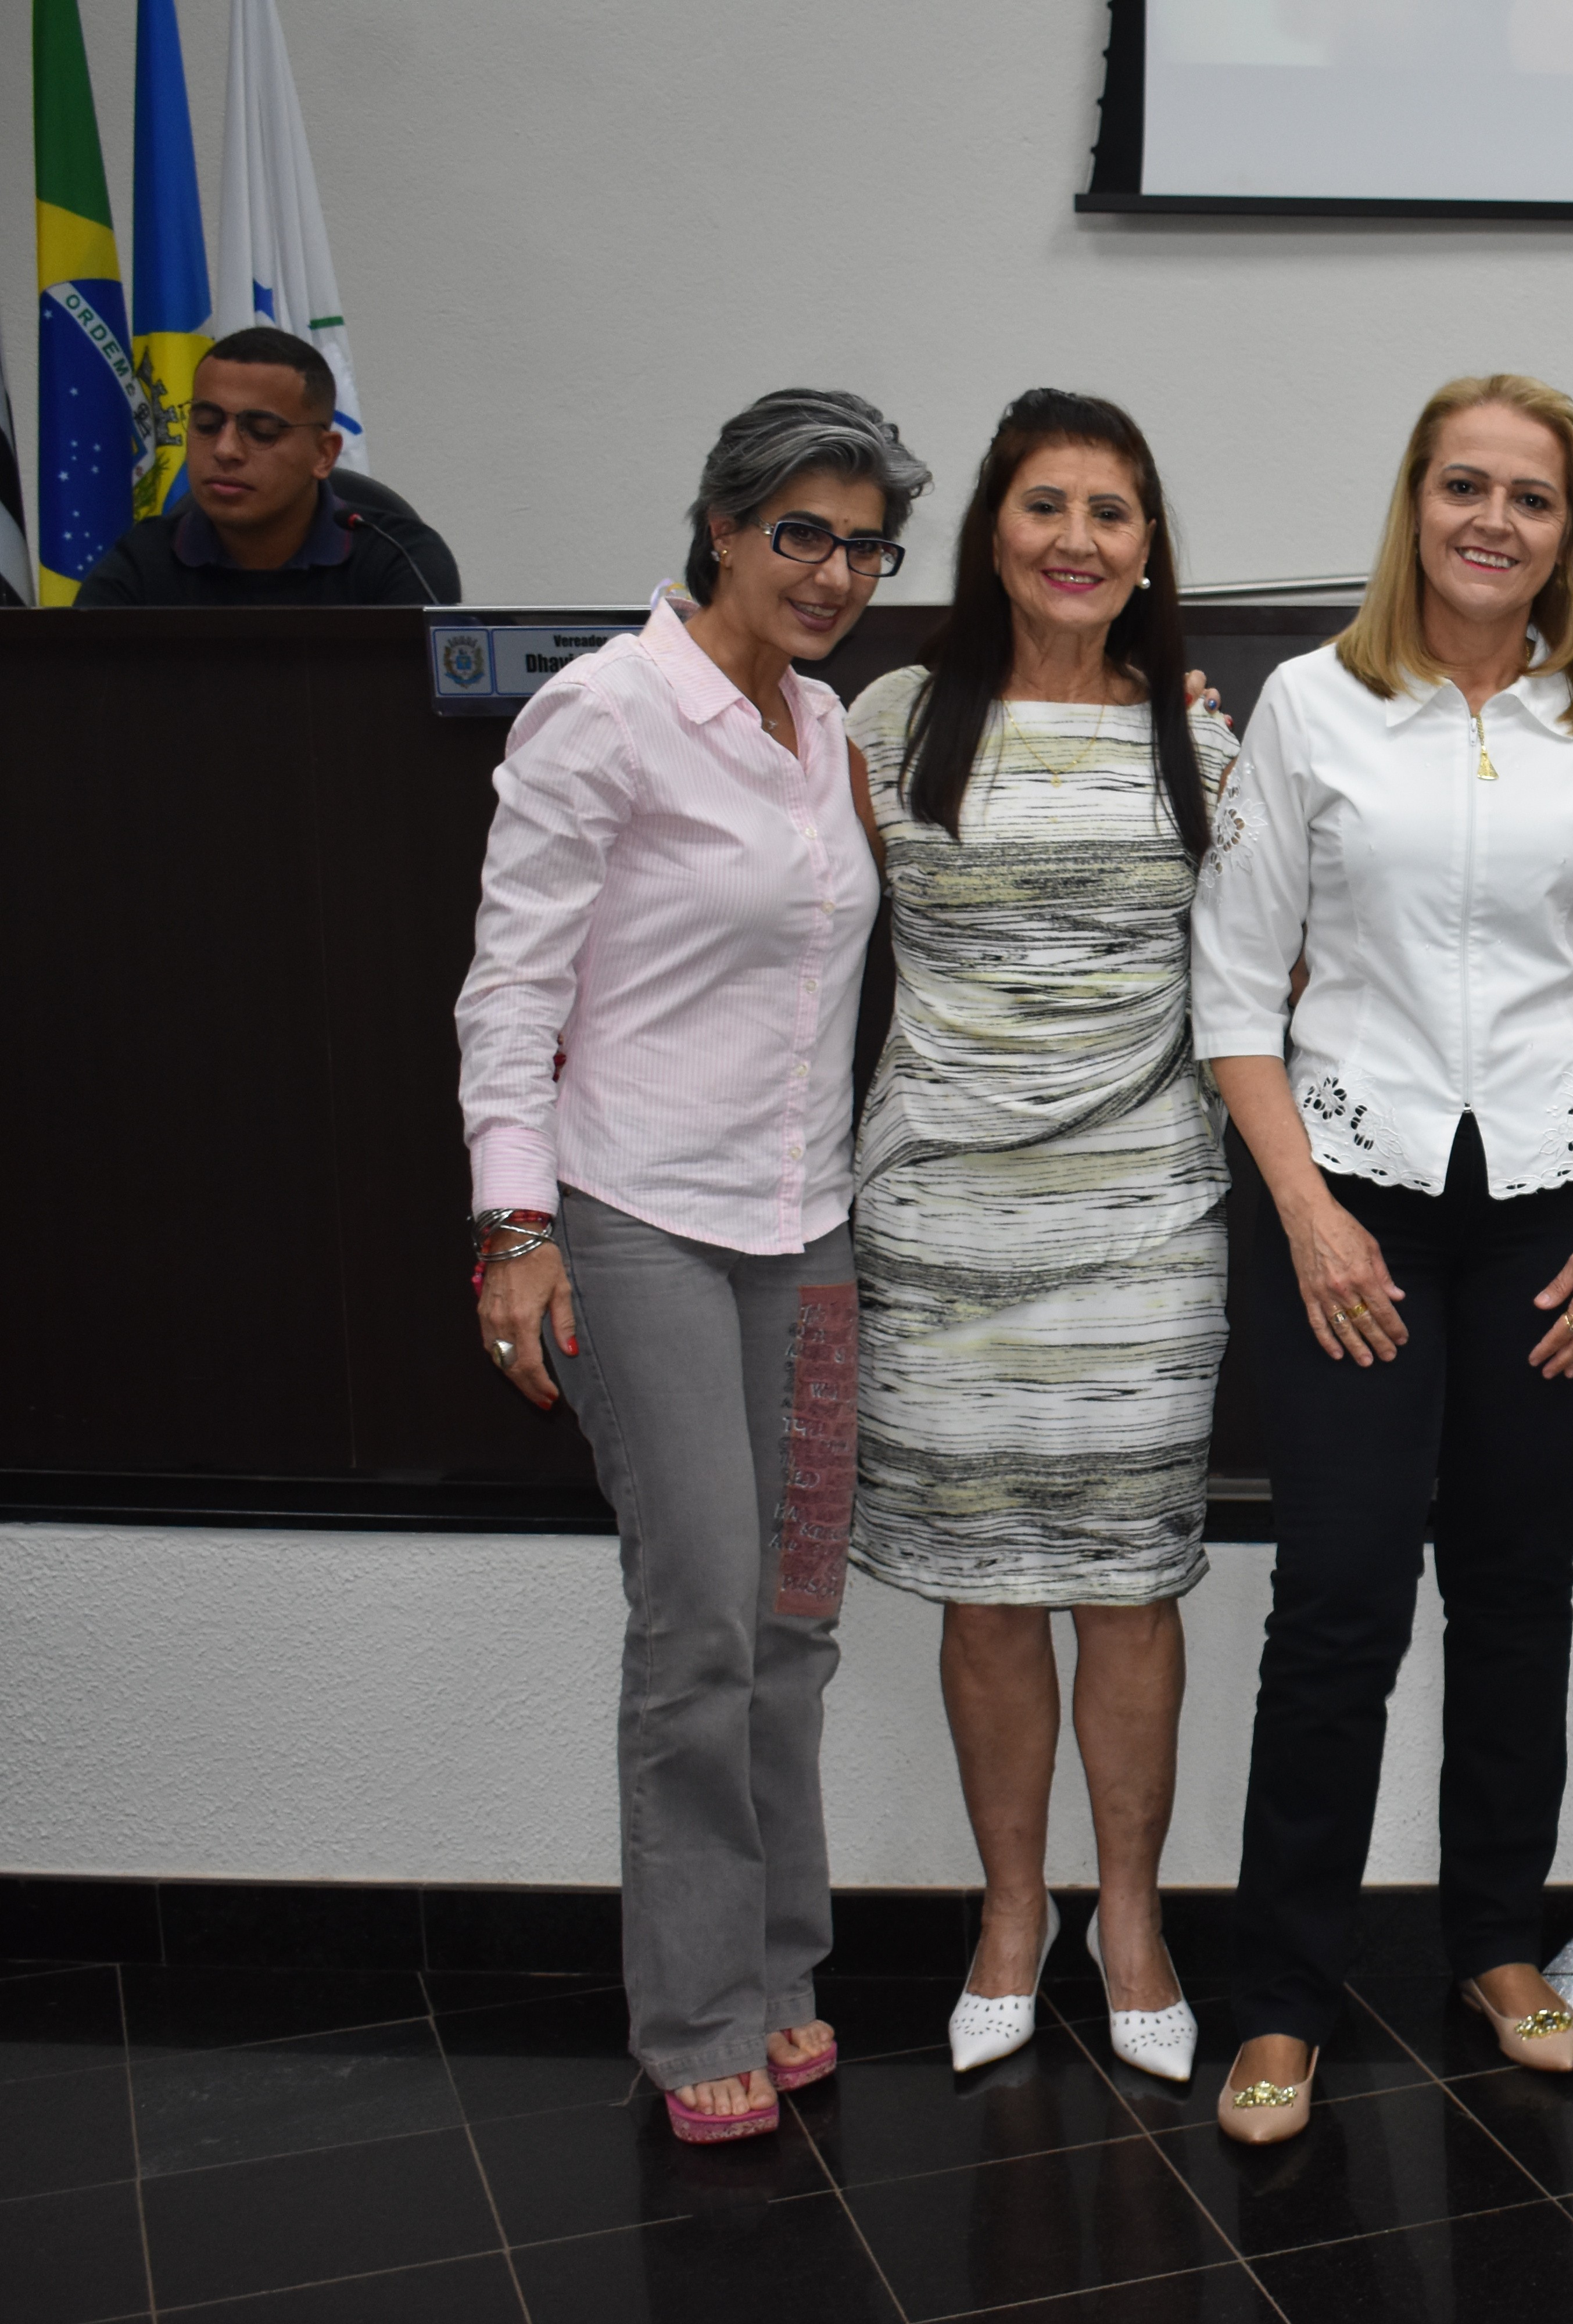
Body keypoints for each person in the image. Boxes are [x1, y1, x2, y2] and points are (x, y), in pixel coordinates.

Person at [1189, 374, 1573, 2143]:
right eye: (1464, 487)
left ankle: (1497, 1935)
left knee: (1515, 1582)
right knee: (1337, 1599)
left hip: (1563, 1208)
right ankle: (1279, 1993)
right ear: (1413, 505)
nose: (1495, 520)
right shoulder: (1312, 706)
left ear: (1572, 532)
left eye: (1533, 498)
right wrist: (1309, 1210)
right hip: (1351, 1201)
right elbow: (1232, 988)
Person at [456, 389, 927, 2142]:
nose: (831, 571)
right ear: (721, 526)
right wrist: (512, 1224)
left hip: (806, 1232)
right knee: (702, 1623)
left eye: (864, 544)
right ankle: (693, 2012)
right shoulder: (603, 713)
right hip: (637, 1221)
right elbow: (509, 989)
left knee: (797, 1621)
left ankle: (784, 1969)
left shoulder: (824, 726)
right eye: (799, 530)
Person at [840, 392, 1239, 2085]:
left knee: (1129, 1590)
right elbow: (798, 950)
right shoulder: (890, 718)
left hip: (1141, 1223)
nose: (1078, 539)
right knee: (987, 1596)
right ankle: (1012, 1915)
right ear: (992, 530)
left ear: (1149, 548)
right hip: (939, 1220)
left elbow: (1257, 982)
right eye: (1045, 506)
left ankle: (1130, 1916)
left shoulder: (1196, 741)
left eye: (1113, 512)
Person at [74, 326, 458, 605]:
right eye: (207, 424)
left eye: (261, 431)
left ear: (324, 454)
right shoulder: (144, 561)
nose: (225, 449)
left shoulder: (399, 559)